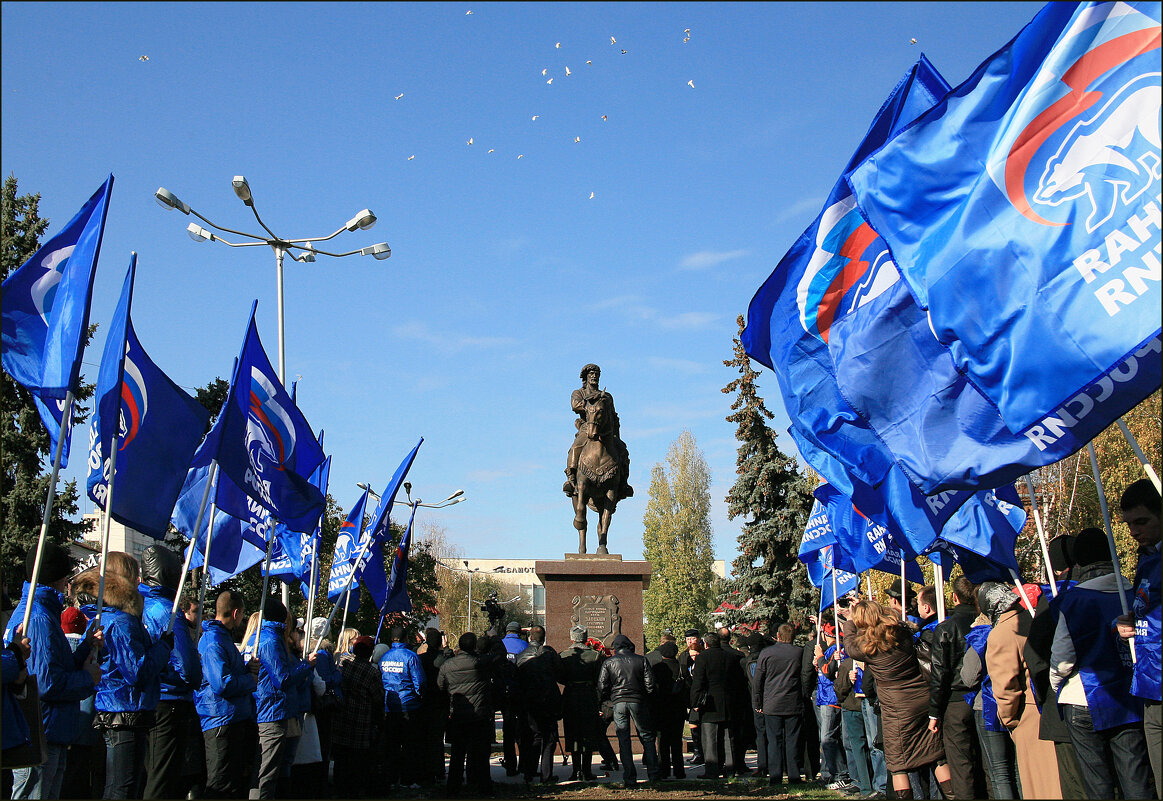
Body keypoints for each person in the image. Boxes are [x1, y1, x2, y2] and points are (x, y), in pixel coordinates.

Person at [1050, 528, 1154, 799]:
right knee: (1137, 780)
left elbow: (1061, 658)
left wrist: (1056, 685)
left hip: (1082, 695)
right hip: (1129, 695)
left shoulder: (1072, 600)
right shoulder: (1135, 590)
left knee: (1098, 786)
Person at [3, 544, 100, 801]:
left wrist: (86, 648)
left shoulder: (40, 612)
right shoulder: (38, 618)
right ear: (60, 579)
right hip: (41, 732)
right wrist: (86, 679)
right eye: (67, 577)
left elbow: (53, 666)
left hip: (46, 730)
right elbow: (46, 683)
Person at [843, 600, 951, 800]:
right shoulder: (901, 634)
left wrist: (850, 619)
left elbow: (848, 644)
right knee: (937, 756)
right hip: (921, 697)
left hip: (896, 709)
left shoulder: (865, 647)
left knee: (898, 765)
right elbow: (900, 622)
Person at [981, 580, 1063, 799]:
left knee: (1041, 785)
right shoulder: (1032, 620)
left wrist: (1010, 720)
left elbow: (1006, 688)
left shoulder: (1001, 634)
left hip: (1029, 717)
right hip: (1050, 709)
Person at [1025, 536, 1088, 799]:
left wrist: (1048, 692)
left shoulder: (1055, 597)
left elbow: (1036, 655)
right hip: (1114, 700)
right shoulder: (1118, 587)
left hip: (1067, 700)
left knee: (1077, 782)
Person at [139, 545, 202, 801]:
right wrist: (194, 674)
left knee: (153, 775)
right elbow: (187, 666)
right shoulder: (169, 611)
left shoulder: (142, 604)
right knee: (162, 780)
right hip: (169, 703)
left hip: (152, 700)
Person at [1116, 478, 1161, 798]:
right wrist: (1128, 623)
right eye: (1129, 524)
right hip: (1149, 682)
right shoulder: (1146, 558)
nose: (1133, 530)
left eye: (1141, 521)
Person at [926, 576, 986, 800]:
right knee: (986, 759)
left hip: (958, 701)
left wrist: (934, 711)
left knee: (962, 765)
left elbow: (939, 673)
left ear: (954, 597)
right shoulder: (984, 621)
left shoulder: (948, 627)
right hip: (980, 696)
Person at [252, 598, 316, 800]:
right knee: (268, 771)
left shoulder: (264, 637)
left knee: (275, 768)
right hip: (272, 710)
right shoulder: (270, 640)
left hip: (277, 708)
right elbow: (283, 679)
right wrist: (306, 666)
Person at [196, 590, 256, 799]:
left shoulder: (223, 639)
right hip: (221, 720)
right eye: (242, 614)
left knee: (230, 783)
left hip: (230, 717)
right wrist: (251, 680)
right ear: (236, 613)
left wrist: (248, 670)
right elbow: (221, 683)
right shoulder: (214, 640)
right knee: (220, 784)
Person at [563, 363, 633, 501]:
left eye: (597, 374)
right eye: (591, 374)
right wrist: (592, 403)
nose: (594, 376)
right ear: (586, 377)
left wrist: (616, 436)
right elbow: (575, 405)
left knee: (623, 450)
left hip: (605, 429)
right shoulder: (578, 393)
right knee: (575, 447)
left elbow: (613, 416)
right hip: (587, 427)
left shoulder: (607, 396)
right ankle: (571, 479)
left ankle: (624, 483)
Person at [598, 633, 660, 786]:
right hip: (638, 701)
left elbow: (602, 685)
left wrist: (605, 701)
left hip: (618, 702)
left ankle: (630, 777)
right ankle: (653, 774)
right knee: (647, 737)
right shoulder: (641, 660)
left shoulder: (609, 662)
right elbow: (650, 685)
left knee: (623, 739)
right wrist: (646, 699)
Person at [439, 632, 496, 796]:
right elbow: (498, 658)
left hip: (458, 715)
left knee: (457, 754)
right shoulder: (481, 663)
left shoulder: (448, 666)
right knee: (481, 755)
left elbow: (440, 686)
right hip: (479, 715)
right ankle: (484, 787)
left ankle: (453, 787)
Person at [753, 623, 810, 787]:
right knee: (793, 740)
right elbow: (804, 675)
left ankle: (775, 775)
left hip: (772, 702)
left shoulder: (767, 653)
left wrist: (757, 701)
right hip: (793, 701)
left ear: (777, 635)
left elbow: (758, 679)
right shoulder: (799, 652)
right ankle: (793, 774)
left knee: (774, 741)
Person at [333, 636, 384, 798]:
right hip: (360, 723)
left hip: (341, 719)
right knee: (356, 764)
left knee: (341, 762)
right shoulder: (371, 672)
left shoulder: (343, 663)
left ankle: (339, 790)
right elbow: (378, 698)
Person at [690, 631, 745, 780]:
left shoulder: (702, 658)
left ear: (706, 644)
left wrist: (694, 702)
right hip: (728, 702)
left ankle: (712, 770)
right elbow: (737, 681)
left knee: (710, 738)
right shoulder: (731, 657)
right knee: (728, 737)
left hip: (709, 703)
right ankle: (730, 768)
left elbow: (698, 682)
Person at [514, 625, 563, 784]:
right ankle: (546, 775)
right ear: (543, 638)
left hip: (529, 701)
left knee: (534, 736)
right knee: (549, 738)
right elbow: (559, 673)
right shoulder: (549, 654)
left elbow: (517, 679)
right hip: (548, 700)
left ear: (530, 638)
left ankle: (529, 772)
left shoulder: (521, 656)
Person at [378, 625, 425, 788]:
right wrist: (418, 697)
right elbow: (419, 681)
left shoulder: (384, 657)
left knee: (391, 745)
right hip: (409, 706)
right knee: (409, 745)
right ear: (406, 638)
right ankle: (408, 779)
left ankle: (390, 778)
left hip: (389, 706)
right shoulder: (411, 657)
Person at [559, 625, 603, 781]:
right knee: (588, 732)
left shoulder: (563, 656)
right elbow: (600, 679)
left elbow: (560, 677)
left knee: (572, 732)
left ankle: (575, 769)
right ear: (585, 638)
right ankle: (586, 770)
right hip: (588, 696)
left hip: (570, 695)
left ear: (572, 638)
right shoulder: (595, 656)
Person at [814, 622, 851, 789]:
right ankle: (834, 772)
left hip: (831, 698)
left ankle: (840, 774)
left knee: (828, 738)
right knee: (829, 738)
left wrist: (820, 658)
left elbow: (829, 671)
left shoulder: (836, 649)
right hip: (825, 697)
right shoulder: (830, 650)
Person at [416, 627, 450, 786]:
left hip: (424, 701)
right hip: (440, 701)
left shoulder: (420, 659)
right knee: (437, 739)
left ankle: (424, 770)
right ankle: (437, 770)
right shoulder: (444, 659)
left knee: (423, 737)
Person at [649, 640, 686, 780]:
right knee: (677, 741)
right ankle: (679, 771)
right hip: (678, 708)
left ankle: (663, 770)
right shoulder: (681, 667)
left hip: (661, 708)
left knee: (662, 741)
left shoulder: (657, 668)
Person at [742, 631, 772, 778]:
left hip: (755, 700)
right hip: (771, 699)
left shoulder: (746, 661)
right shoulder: (768, 657)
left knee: (761, 734)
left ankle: (763, 765)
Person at [499, 620, 526, 776]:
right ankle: (523, 764)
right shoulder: (524, 646)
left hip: (504, 693)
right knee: (523, 729)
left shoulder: (499, 645)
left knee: (507, 730)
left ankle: (510, 765)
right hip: (521, 692)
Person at [677, 629, 704, 766]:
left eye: (692, 639)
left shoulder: (704, 654)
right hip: (690, 694)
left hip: (703, 696)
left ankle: (701, 752)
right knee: (694, 722)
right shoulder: (684, 656)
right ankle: (698, 751)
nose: (690, 642)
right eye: (687, 640)